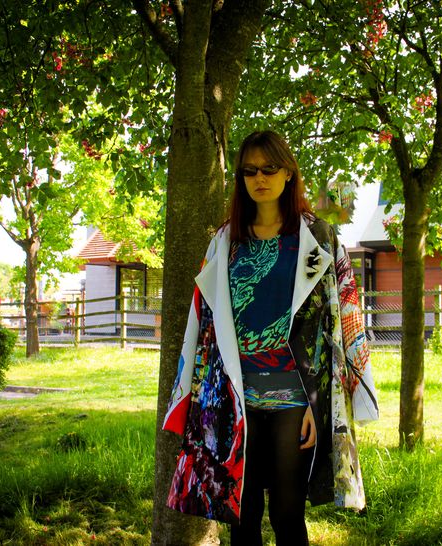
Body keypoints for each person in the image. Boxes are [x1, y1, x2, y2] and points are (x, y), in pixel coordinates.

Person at [162, 130, 378, 545]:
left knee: (286, 515)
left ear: (288, 172)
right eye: (249, 171)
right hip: (234, 397)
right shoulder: (225, 241)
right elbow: (204, 322)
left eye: (269, 168)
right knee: (241, 518)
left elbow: (340, 318)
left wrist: (320, 401)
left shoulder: (318, 238)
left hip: (294, 400)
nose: (259, 178)